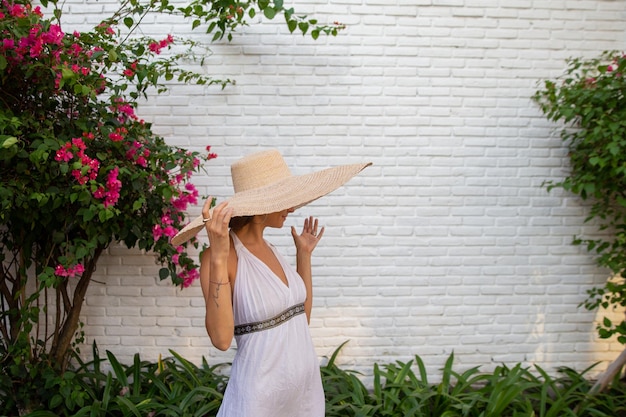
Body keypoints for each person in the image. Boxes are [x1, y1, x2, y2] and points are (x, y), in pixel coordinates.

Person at [171, 149, 371, 417]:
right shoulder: (221, 255)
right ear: (260, 207)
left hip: (304, 392)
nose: (291, 207)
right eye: (284, 200)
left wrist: (304, 257)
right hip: (260, 399)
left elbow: (300, 320)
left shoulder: (273, 249)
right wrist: (218, 255)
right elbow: (220, 339)